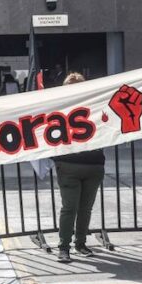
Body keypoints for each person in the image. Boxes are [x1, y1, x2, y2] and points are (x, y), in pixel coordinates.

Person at [52, 73, 106, 264]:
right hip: (74, 164)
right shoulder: (92, 105)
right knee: (71, 208)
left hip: (90, 164)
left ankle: (76, 245)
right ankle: (66, 246)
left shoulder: (63, 107)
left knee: (83, 209)